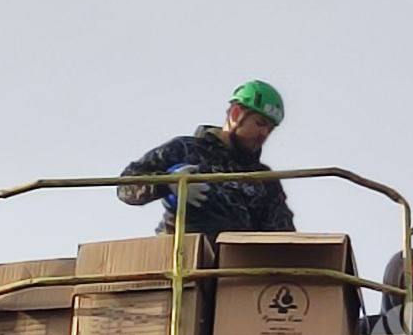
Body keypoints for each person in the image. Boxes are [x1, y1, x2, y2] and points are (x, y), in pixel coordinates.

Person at [117, 80, 296, 237]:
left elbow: (283, 235)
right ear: (235, 114)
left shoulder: (263, 180)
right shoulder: (186, 150)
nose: (264, 133)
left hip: (235, 265)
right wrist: (166, 184)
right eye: (260, 123)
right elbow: (126, 186)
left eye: (270, 129)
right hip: (186, 258)